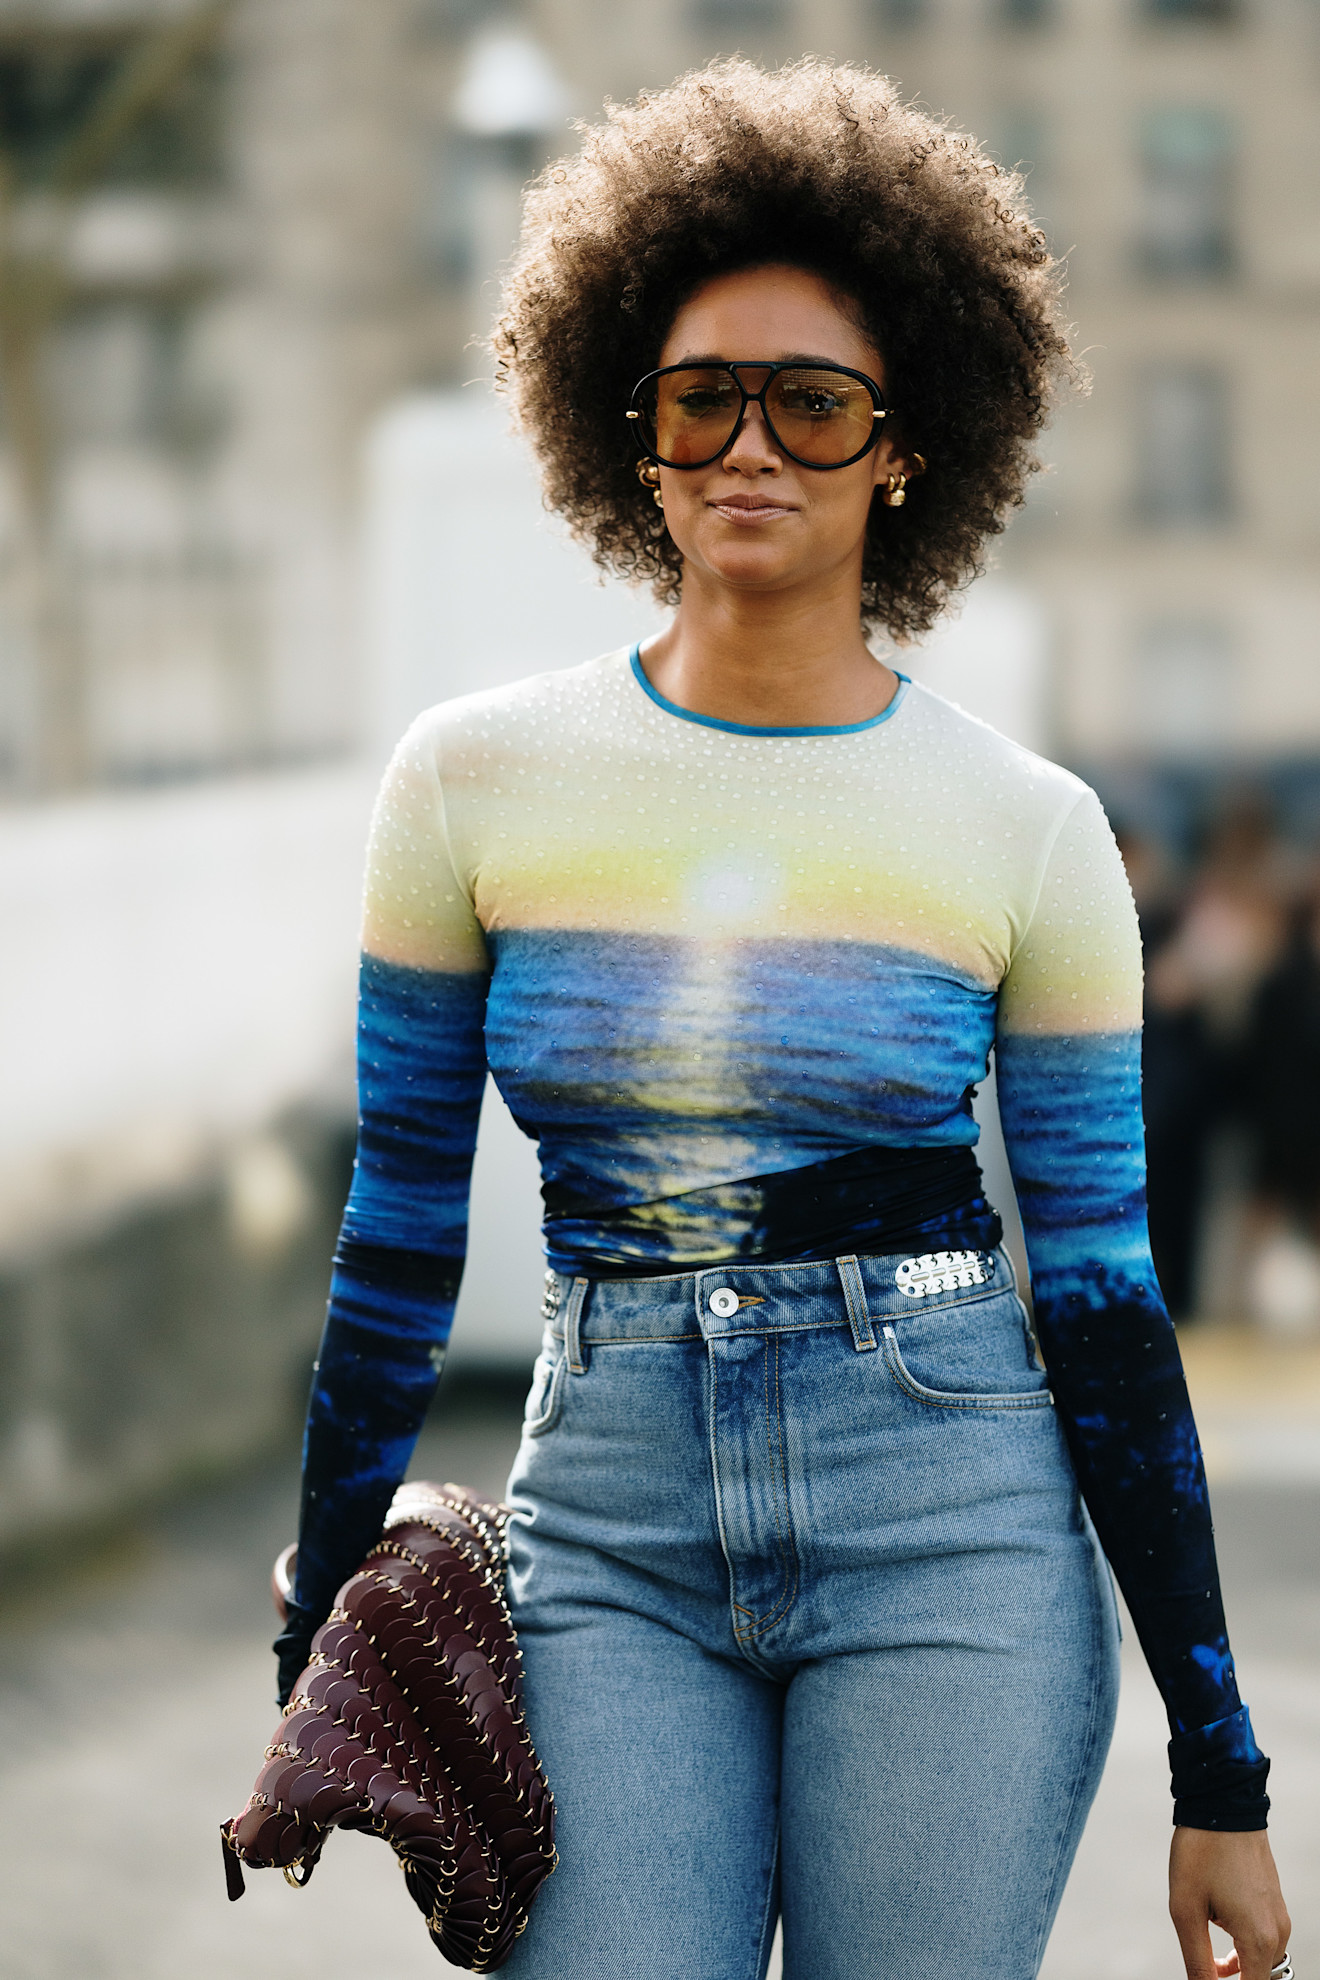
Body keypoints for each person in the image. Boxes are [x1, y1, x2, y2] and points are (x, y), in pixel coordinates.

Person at [274, 60, 1290, 1980]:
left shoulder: (1031, 827)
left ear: (904, 446)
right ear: (632, 433)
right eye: (700, 399)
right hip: (607, 1526)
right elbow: (399, 1227)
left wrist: (1217, 1765)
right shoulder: (469, 784)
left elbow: (1102, 1295)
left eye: (815, 405)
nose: (754, 447)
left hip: (955, 1518)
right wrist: (322, 1596)